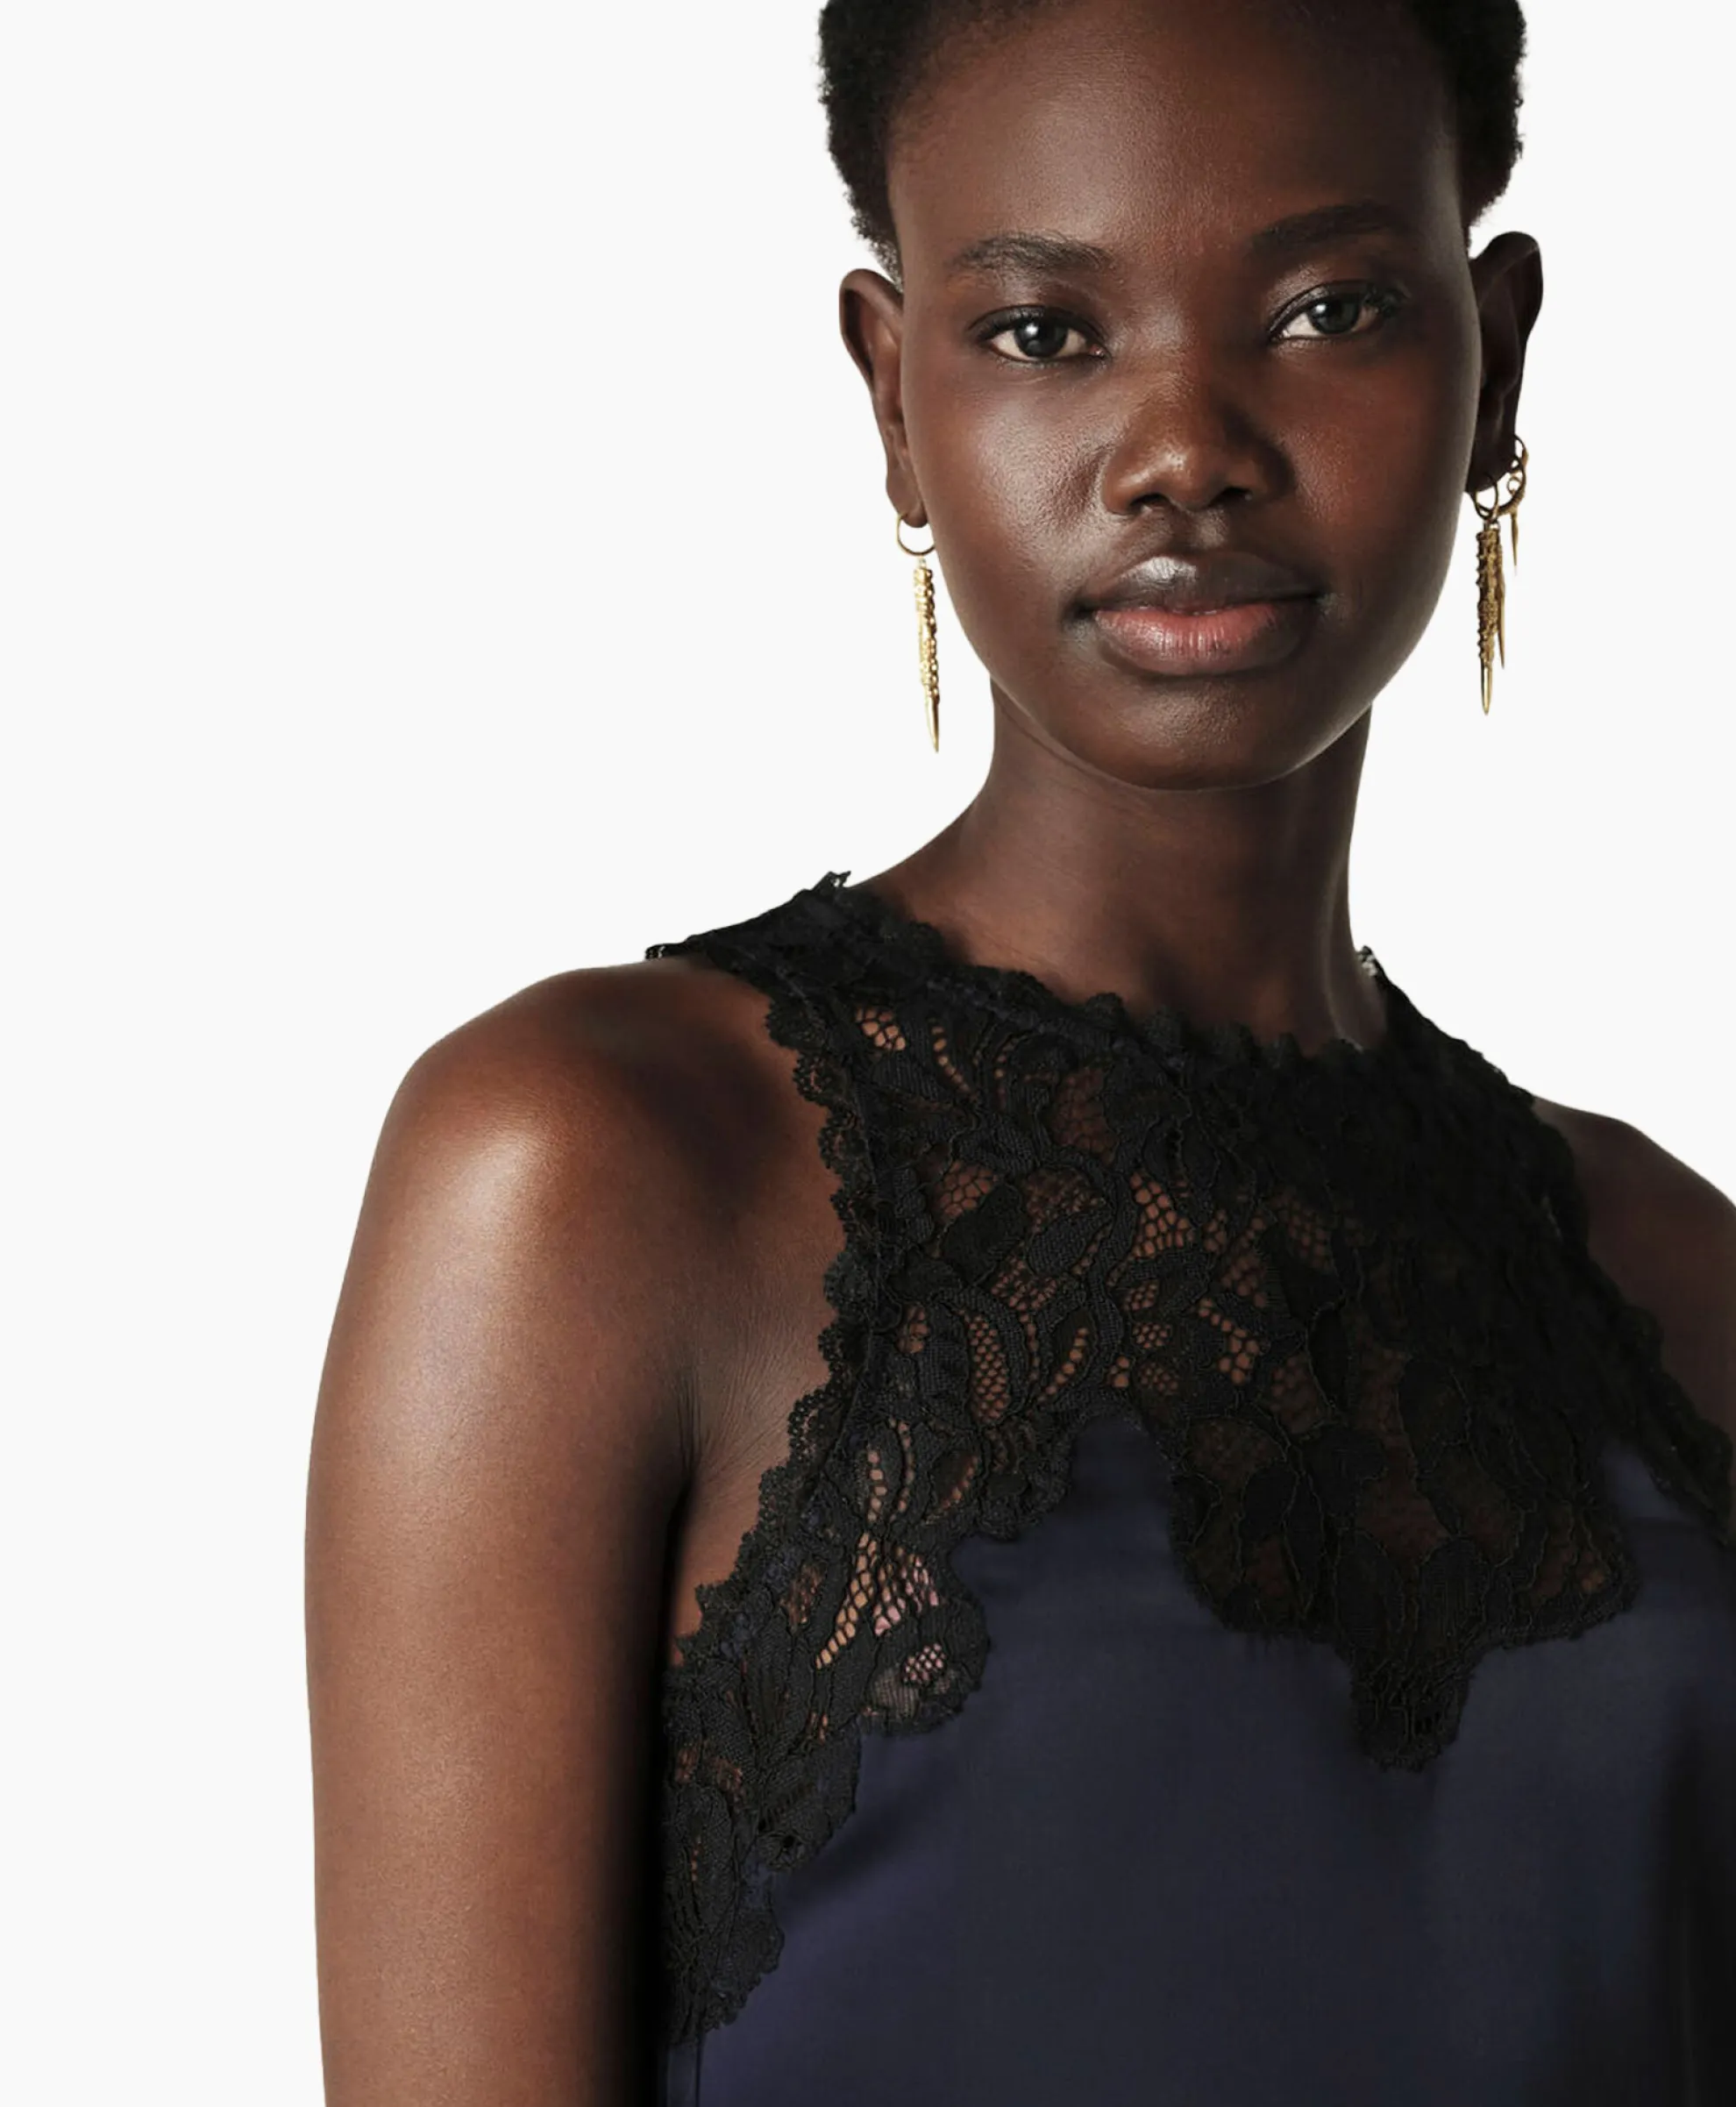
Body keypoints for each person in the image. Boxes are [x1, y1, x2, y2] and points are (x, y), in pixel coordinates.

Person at [304, 1, 1736, 2101]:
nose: (1185, 450)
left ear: (1495, 361)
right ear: (894, 396)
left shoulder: (1681, 1283)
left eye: (1327, 309)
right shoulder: (601, 1169)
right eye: (1047, 333)